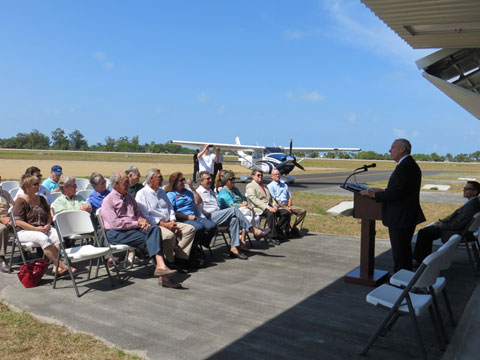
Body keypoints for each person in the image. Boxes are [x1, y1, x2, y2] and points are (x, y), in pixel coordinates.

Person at [101, 172, 180, 288]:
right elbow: (115, 224)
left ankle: (161, 267)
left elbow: (138, 214)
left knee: (155, 230)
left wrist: (143, 221)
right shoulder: (108, 201)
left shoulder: (129, 198)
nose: (128, 184)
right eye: (126, 182)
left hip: (133, 229)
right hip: (116, 233)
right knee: (152, 239)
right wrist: (137, 223)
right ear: (117, 184)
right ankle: (164, 274)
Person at [360, 139, 425, 272]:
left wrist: (373, 195)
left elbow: (396, 194)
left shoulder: (405, 166)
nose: (390, 150)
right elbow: (402, 190)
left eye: (393, 147)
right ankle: (403, 279)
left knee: (400, 254)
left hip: (400, 217)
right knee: (403, 252)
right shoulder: (408, 164)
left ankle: (400, 283)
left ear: (402, 149)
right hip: (405, 216)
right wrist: (384, 191)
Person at [196, 171, 269, 259]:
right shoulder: (199, 192)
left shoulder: (210, 191)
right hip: (209, 217)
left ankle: (234, 248)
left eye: (210, 178)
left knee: (235, 219)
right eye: (208, 179)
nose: (210, 180)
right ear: (201, 181)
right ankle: (254, 230)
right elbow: (199, 211)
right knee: (234, 210)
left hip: (218, 214)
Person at [136, 168, 196, 269]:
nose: (162, 179)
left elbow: (170, 208)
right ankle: (169, 261)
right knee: (169, 236)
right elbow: (145, 216)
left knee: (190, 229)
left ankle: (179, 258)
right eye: (160, 177)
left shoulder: (161, 192)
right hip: (156, 225)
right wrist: (165, 225)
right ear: (151, 179)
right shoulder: (142, 194)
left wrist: (172, 221)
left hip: (169, 222)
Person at [12, 174, 72, 275]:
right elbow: (18, 222)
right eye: (35, 184)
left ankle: (55, 267)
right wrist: (35, 229)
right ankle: (62, 265)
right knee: (43, 238)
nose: (38, 185)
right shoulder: (20, 201)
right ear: (27, 187)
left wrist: (48, 224)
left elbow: (49, 214)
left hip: (43, 228)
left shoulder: (41, 198)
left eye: (38, 183)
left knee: (57, 235)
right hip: (24, 231)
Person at [413, 181, 480, 263]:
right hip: (458, 230)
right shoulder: (473, 202)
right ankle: (422, 259)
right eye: (464, 188)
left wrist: (442, 225)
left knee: (424, 233)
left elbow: (458, 224)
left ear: (475, 192)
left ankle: (421, 261)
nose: (464, 190)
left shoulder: (472, 205)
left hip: (455, 232)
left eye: (467, 189)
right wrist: (442, 223)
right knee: (426, 232)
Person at [165, 172, 216, 251]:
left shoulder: (187, 192)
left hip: (193, 217)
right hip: (182, 218)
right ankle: (192, 248)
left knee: (212, 226)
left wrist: (192, 189)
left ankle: (196, 244)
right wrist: (187, 217)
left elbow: (198, 201)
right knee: (199, 228)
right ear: (175, 183)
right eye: (181, 180)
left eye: (183, 179)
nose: (183, 182)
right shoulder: (171, 194)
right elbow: (172, 212)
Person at [246, 169, 291, 244]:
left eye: (261, 175)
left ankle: (274, 231)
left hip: (270, 207)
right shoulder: (250, 186)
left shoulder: (264, 187)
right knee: (271, 213)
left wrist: (275, 206)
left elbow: (272, 198)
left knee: (286, 212)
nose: (260, 177)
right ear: (253, 176)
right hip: (259, 208)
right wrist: (268, 207)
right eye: (258, 175)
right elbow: (254, 199)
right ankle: (272, 236)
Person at [268, 168, 307, 238]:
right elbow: (275, 200)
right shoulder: (270, 186)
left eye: (278, 174)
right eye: (275, 174)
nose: (277, 175)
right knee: (287, 212)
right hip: (278, 206)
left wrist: (289, 205)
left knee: (302, 211)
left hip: (287, 205)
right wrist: (285, 207)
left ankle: (295, 230)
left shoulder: (284, 185)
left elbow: (289, 197)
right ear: (272, 176)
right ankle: (280, 230)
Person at [0, 177, 14, 272]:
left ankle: (26, 253)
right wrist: (2, 219)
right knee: (2, 229)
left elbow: (13, 206)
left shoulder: (5, 193)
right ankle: (1, 258)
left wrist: (10, 217)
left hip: (7, 217)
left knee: (23, 224)